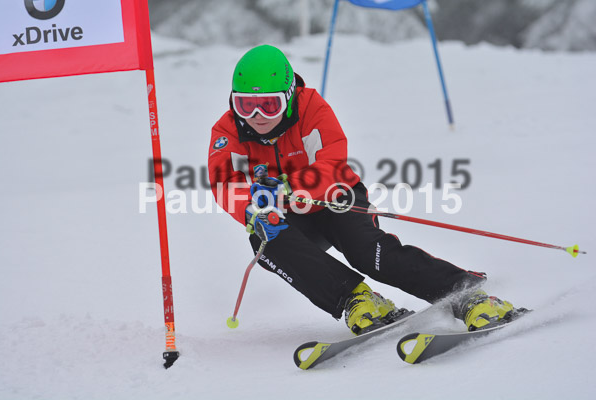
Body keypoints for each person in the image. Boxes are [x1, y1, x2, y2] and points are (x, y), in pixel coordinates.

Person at [208, 44, 521, 335]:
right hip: (290, 213)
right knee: (266, 240)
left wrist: (289, 185)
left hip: (335, 198)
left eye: (269, 105)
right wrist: (252, 209)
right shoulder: (229, 130)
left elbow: (331, 163)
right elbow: (224, 180)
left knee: (367, 253)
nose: (257, 116)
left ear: (289, 95)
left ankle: (463, 292)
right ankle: (355, 298)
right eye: (246, 105)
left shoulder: (311, 109)